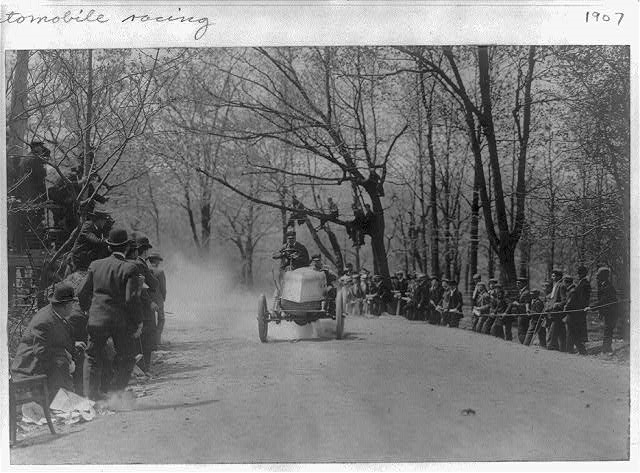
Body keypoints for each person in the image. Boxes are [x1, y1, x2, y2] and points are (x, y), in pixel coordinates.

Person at [78, 227, 142, 401]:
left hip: (96, 319)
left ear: (108, 247)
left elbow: (82, 293)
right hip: (120, 322)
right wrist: (138, 322)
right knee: (127, 357)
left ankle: (90, 399)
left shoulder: (95, 265)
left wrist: (88, 311)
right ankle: (115, 395)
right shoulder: (130, 268)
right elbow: (131, 300)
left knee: (91, 356)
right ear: (127, 247)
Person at [11, 282, 86, 402]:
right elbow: (41, 352)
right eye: (72, 304)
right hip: (28, 367)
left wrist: (72, 346)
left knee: (74, 357)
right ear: (66, 306)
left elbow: (53, 339)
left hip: (42, 359)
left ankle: (73, 396)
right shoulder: (44, 321)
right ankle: (63, 401)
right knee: (61, 362)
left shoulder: (55, 313)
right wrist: (65, 355)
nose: (73, 307)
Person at [133, 235, 159, 372]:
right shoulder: (139, 264)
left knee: (145, 337)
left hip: (143, 304)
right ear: (145, 250)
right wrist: (149, 302)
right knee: (146, 337)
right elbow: (152, 284)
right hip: (144, 306)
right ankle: (144, 368)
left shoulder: (140, 263)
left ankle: (144, 368)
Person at [585, 267, 618, 354]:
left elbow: (603, 302)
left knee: (608, 330)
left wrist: (591, 307)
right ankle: (606, 349)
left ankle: (606, 350)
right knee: (607, 330)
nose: (596, 278)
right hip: (608, 312)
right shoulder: (603, 285)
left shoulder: (608, 287)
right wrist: (601, 312)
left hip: (612, 313)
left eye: (598, 276)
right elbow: (602, 302)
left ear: (604, 276)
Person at [565, 267, 590, 355]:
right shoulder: (581, 283)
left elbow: (583, 300)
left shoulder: (585, 284)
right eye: (578, 273)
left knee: (574, 331)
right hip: (575, 311)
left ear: (584, 273)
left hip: (578, 311)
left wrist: (578, 309)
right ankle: (570, 349)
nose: (579, 275)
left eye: (581, 273)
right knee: (572, 330)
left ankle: (582, 351)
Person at [546, 269, 568, 352]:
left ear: (559, 276)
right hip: (552, 312)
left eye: (554, 276)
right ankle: (563, 349)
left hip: (557, 313)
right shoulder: (555, 285)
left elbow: (564, 300)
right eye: (552, 276)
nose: (552, 277)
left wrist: (557, 304)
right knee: (562, 332)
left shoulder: (561, 286)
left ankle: (550, 347)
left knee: (552, 333)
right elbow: (552, 299)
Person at [148, 252, 167, 346]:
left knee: (151, 320)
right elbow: (163, 288)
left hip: (148, 300)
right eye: (158, 260)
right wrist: (163, 298)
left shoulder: (145, 269)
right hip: (158, 299)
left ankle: (152, 341)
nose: (159, 262)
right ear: (156, 261)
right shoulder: (160, 272)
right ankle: (157, 340)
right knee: (161, 319)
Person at [511, 277, 532, 344]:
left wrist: (517, 304)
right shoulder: (521, 292)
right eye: (517, 283)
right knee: (521, 331)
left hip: (523, 315)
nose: (517, 284)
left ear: (524, 283)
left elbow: (527, 304)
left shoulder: (526, 293)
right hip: (520, 314)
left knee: (521, 331)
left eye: (519, 283)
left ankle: (524, 345)